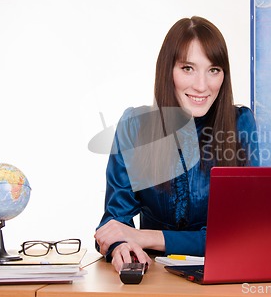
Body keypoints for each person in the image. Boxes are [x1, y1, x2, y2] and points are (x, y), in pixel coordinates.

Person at [94, 16, 260, 273]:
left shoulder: (241, 124)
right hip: (155, 280)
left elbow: (241, 234)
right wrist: (120, 246)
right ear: (167, 70)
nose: (202, 85)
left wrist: (146, 237)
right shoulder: (134, 125)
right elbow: (116, 220)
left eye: (213, 70)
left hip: (223, 280)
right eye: (188, 68)